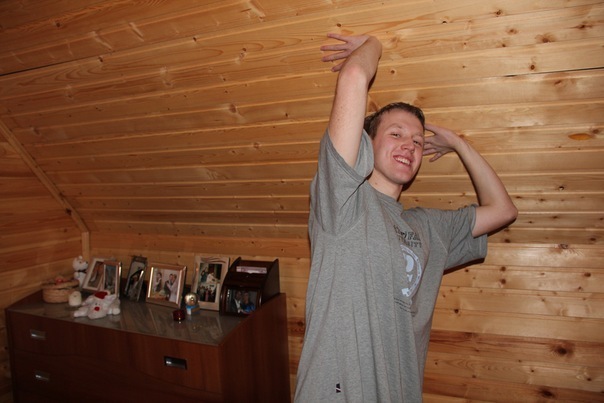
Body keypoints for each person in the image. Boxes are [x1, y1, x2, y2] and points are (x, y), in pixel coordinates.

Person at [294, 33, 518, 402]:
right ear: (367, 144)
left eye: (417, 141)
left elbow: (503, 211)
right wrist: (373, 44)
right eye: (396, 133)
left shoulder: (429, 227)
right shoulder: (343, 200)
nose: (409, 146)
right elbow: (354, 77)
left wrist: (459, 144)